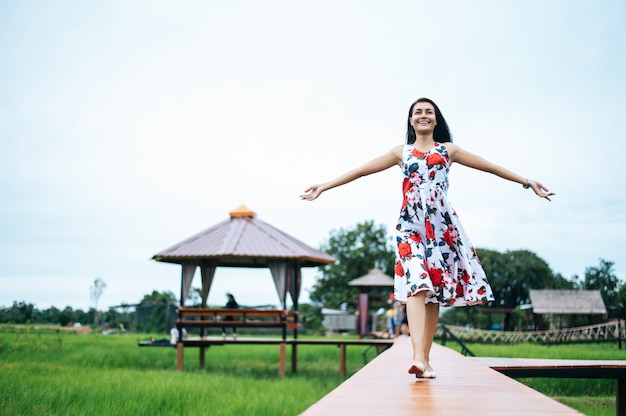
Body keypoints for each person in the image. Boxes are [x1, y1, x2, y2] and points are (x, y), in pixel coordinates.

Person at [300, 97, 555, 379]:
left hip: (442, 229)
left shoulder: (448, 150)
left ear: (436, 120)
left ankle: (426, 358)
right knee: (417, 285)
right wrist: (324, 185)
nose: (423, 115)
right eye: (417, 112)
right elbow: (361, 170)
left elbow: (489, 167)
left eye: (428, 112)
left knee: (433, 295)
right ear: (411, 121)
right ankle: (417, 358)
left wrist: (528, 182)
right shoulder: (402, 153)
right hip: (410, 227)